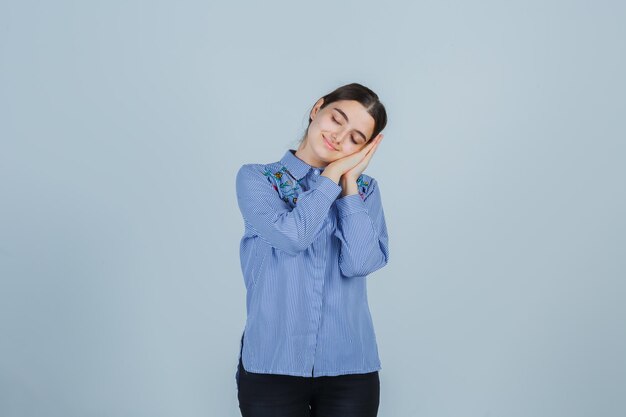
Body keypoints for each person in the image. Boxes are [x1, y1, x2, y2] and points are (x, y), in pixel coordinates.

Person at [234, 82, 389, 417]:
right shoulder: (259, 179)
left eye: (355, 138)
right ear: (318, 108)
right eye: (337, 119)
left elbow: (360, 263)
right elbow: (293, 237)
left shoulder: (365, 191)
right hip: (271, 366)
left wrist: (347, 186)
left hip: (350, 369)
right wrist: (331, 174)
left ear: (364, 150)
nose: (339, 137)